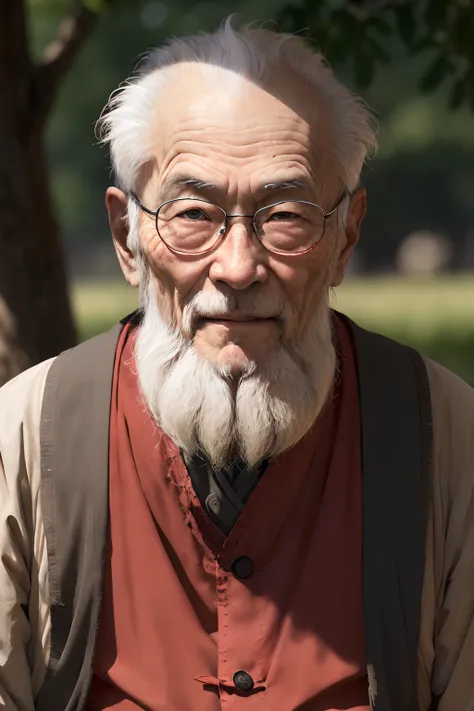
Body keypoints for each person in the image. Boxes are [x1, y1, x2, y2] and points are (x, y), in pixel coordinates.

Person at [0, 20, 473, 711]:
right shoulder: (23, 436)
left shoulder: (448, 439)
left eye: (285, 215)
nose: (239, 266)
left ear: (345, 236)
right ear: (127, 236)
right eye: (194, 212)